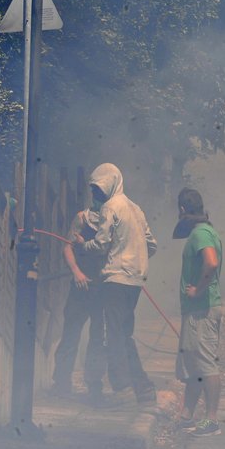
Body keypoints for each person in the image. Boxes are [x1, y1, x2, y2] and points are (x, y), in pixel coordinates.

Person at [76, 163, 158, 406]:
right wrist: (134, 258)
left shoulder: (110, 207)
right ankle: (142, 387)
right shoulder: (136, 208)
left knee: (111, 333)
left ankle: (121, 383)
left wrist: (83, 245)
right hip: (134, 280)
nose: (96, 195)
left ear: (109, 185)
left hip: (115, 279)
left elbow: (101, 244)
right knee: (124, 333)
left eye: (98, 189)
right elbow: (151, 245)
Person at [172, 188, 224, 437]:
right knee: (193, 363)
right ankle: (187, 415)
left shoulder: (201, 233)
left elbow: (211, 262)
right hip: (197, 310)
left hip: (202, 309)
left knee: (205, 363)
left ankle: (211, 419)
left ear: (182, 209)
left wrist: (198, 289)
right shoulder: (205, 230)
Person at [51, 203, 109, 404]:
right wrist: (76, 271)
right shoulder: (82, 218)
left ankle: (94, 387)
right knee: (70, 334)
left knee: (97, 338)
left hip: (102, 288)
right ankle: (61, 383)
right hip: (81, 286)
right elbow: (67, 246)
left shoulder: (114, 220)